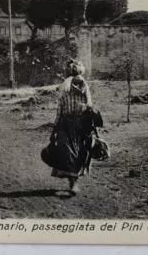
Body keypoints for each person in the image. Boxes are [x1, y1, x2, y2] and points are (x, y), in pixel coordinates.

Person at [50, 59, 95, 196]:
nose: (78, 84)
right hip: (67, 126)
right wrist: (55, 130)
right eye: (75, 82)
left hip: (79, 126)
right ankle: (73, 183)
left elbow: (89, 109)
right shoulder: (66, 93)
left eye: (79, 82)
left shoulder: (83, 93)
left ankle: (73, 182)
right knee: (68, 153)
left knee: (79, 153)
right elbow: (60, 113)